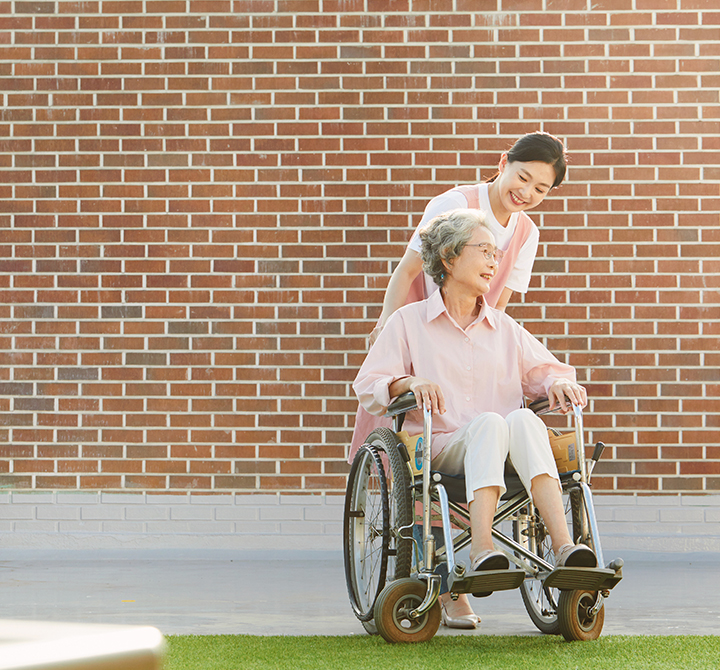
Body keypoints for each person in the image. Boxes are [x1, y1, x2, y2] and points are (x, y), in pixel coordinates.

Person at [352, 209, 595, 630]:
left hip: (501, 447)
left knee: (519, 421)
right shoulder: (408, 322)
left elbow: (551, 369)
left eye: (496, 254)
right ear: (448, 257)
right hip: (441, 448)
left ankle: (564, 548)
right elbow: (369, 383)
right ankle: (482, 549)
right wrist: (407, 381)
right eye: (484, 251)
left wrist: (558, 384)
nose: (494, 262)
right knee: (492, 422)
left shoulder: (504, 328)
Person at [349, 131, 568, 459]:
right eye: (522, 177)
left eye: (540, 189)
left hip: (470, 331)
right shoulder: (455, 204)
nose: (525, 192)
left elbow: (500, 305)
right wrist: (388, 325)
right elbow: (408, 270)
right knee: (409, 417)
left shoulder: (527, 234)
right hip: (425, 326)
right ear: (503, 163)